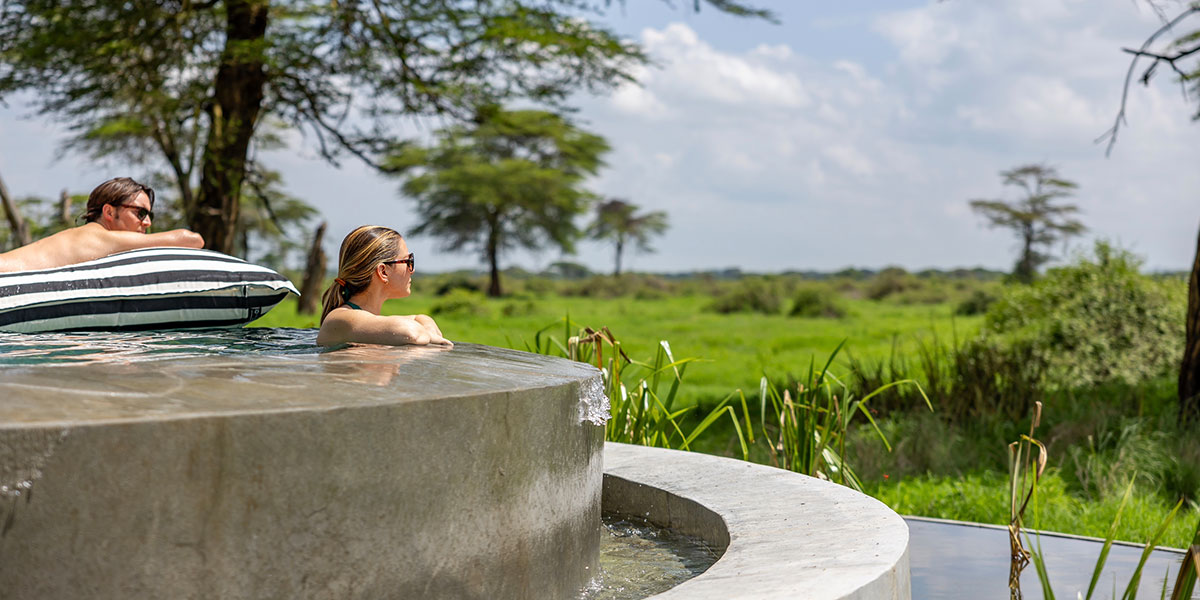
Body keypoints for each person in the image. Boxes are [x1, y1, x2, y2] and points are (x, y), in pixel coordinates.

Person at [0, 177, 204, 272]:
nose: (148, 222)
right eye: (140, 213)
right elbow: (192, 240)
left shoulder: (86, 236)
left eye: (150, 214)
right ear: (108, 211)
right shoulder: (100, 238)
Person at [316, 225, 451, 347]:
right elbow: (412, 333)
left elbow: (420, 318)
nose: (412, 269)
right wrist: (427, 334)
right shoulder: (340, 318)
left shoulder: (365, 319)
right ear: (383, 272)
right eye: (408, 261)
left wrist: (427, 327)